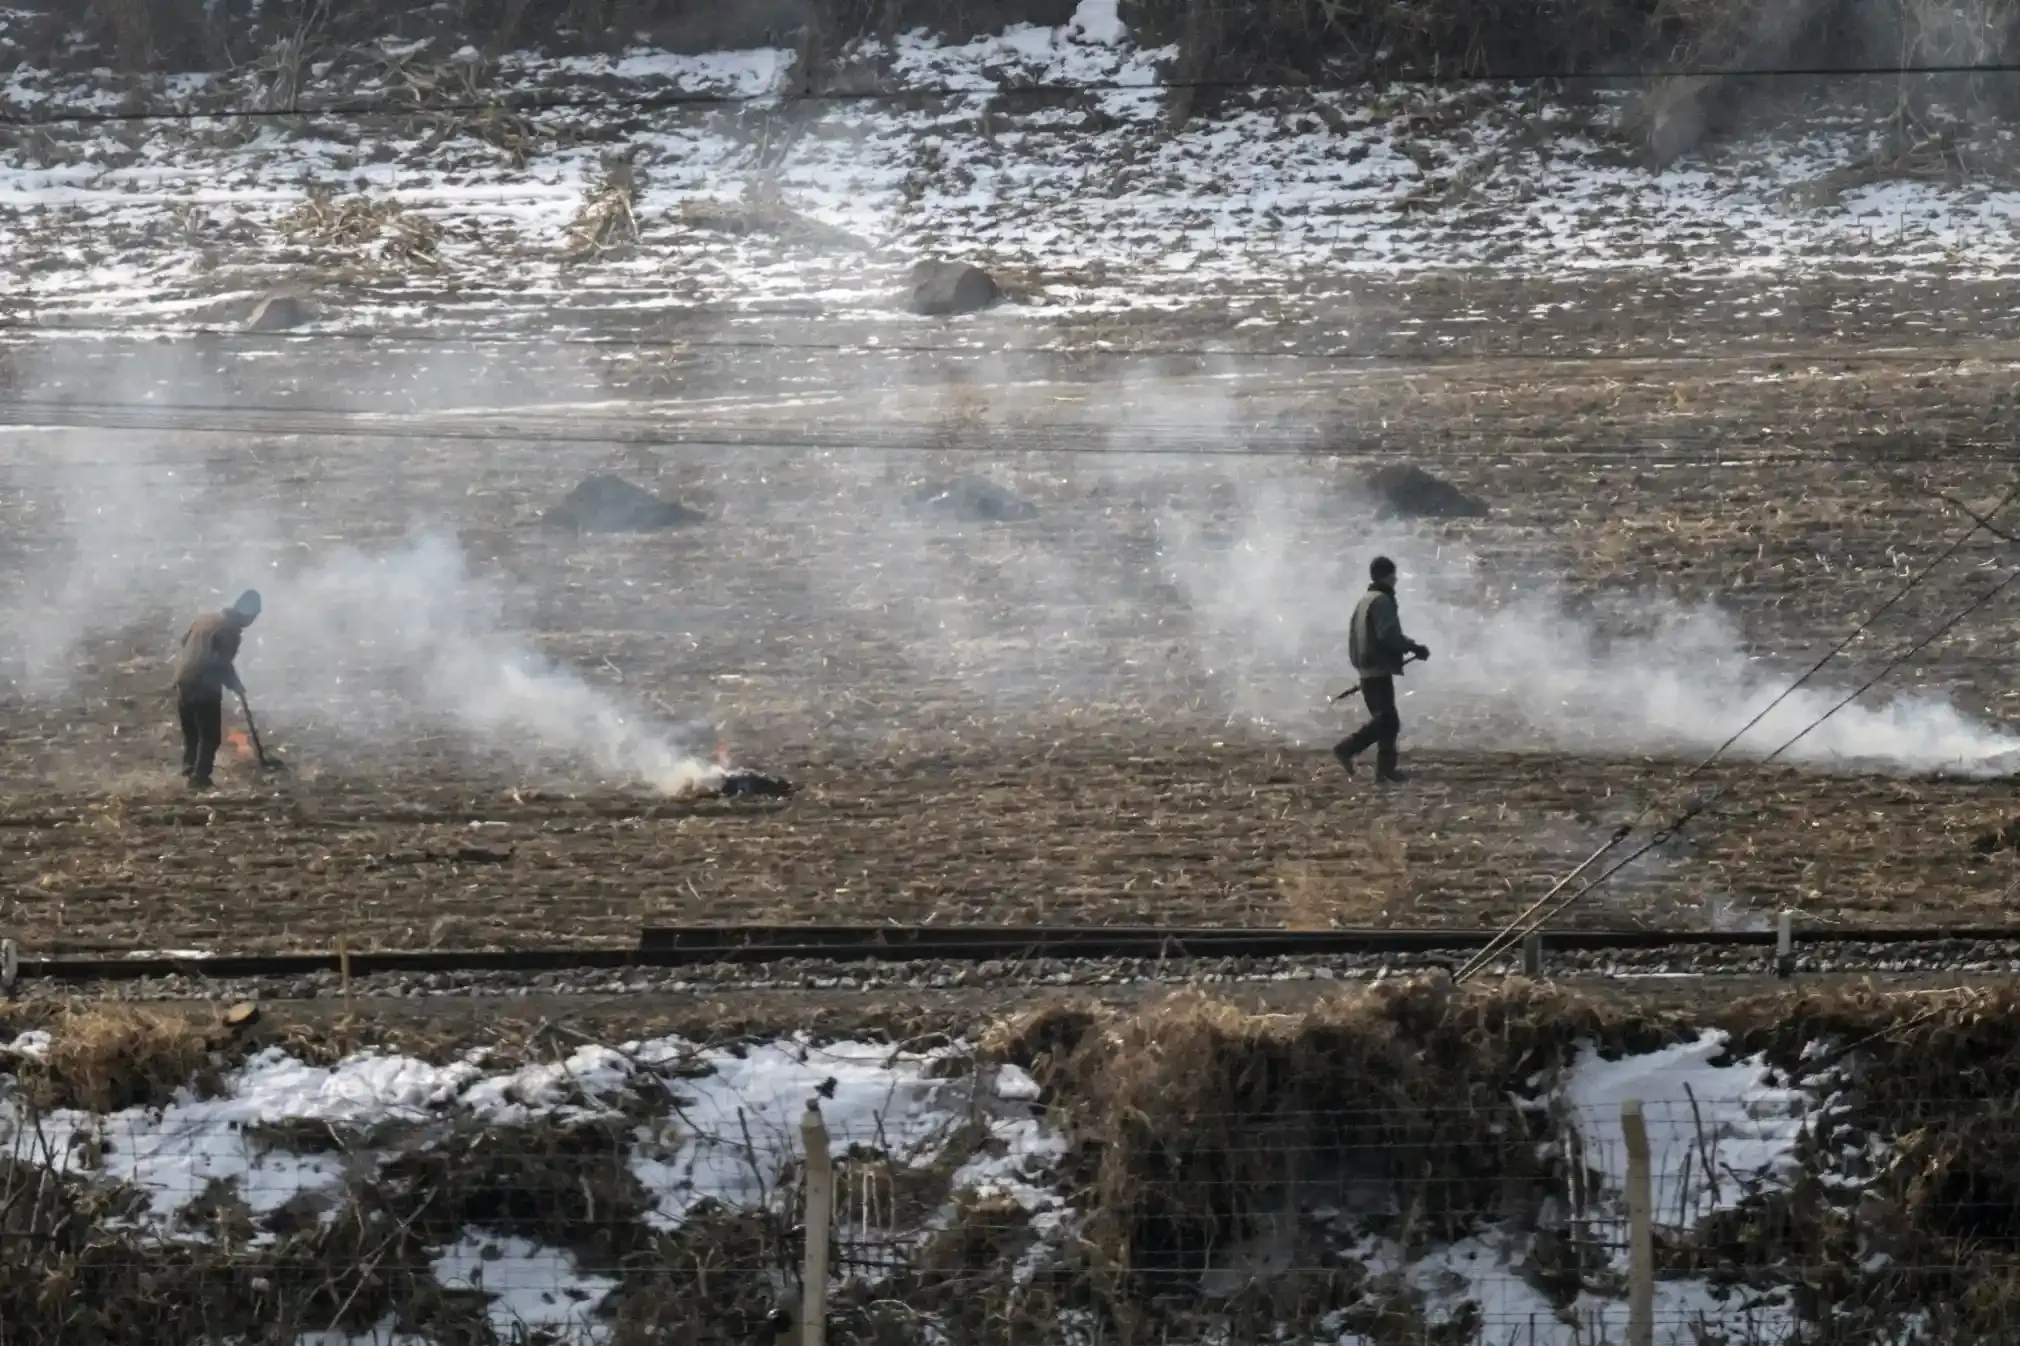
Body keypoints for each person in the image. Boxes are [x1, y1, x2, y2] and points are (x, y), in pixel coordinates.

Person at [1334, 557, 1429, 784]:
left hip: (1367, 668)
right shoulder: (1382, 601)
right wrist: (1414, 647)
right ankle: (1347, 749)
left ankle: (1385, 772)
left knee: (1388, 721)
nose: (1396, 579)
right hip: (1376, 669)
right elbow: (1388, 635)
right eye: (1394, 575)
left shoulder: (1365, 600)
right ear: (1387, 576)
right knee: (1387, 721)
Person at [171, 589, 261, 791]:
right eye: (254, 617)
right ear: (247, 615)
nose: (252, 622)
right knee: (209, 735)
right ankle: (200, 779)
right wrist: (233, 684)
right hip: (204, 682)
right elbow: (220, 664)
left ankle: (188, 769)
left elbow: (184, 641)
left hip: (183, 677)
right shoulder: (230, 631)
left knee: (192, 732)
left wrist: (233, 680)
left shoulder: (206, 619)